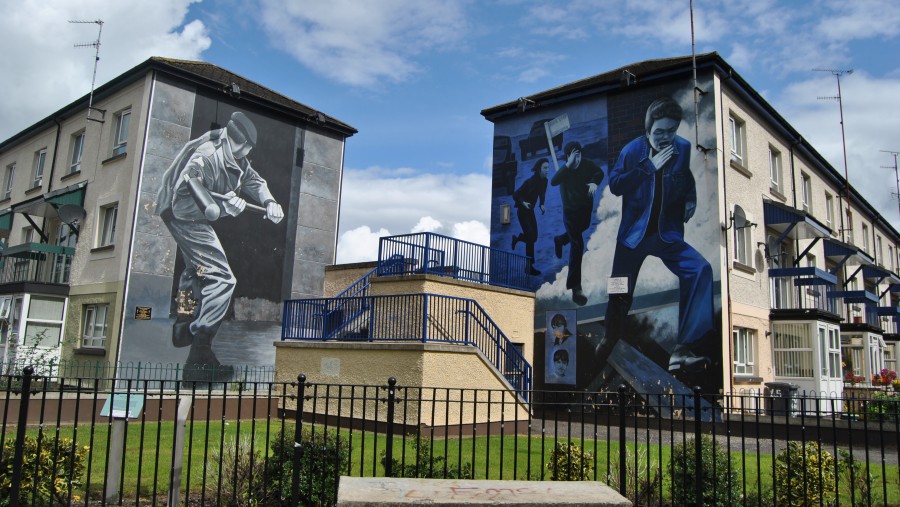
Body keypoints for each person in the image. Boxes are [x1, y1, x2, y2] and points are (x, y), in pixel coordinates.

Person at [156, 111, 284, 382]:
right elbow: (189, 186)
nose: (245, 153)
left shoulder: (235, 156)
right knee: (222, 278)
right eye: (245, 148)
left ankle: (183, 323)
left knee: (194, 271)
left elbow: (254, 181)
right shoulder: (206, 156)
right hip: (185, 216)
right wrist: (221, 205)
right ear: (237, 141)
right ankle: (199, 356)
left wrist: (270, 202)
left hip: (192, 215)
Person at [596, 96, 713, 374]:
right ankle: (610, 337)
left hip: (666, 234)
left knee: (701, 270)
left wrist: (690, 198)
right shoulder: (632, 151)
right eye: (659, 132)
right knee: (620, 292)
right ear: (648, 129)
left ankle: (684, 349)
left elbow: (685, 178)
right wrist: (648, 168)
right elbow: (615, 185)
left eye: (671, 131)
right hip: (633, 236)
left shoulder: (682, 148)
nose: (665, 137)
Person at [550, 142, 604, 306]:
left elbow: (599, 172)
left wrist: (595, 182)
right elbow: (553, 181)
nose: (578, 158)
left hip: (584, 212)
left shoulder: (587, 164)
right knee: (577, 244)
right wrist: (568, 164)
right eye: (575, 155)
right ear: (568, 156)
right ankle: (576, 289)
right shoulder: (564, 171)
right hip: (570, 214)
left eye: (579, 154)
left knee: (583, 229)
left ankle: (560, 240)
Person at [511, 158, 549, 275]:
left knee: (534, 237)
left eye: (548, 167)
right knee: (531, 239)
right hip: (522, 211)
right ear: (538, 169)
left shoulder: (544, 181)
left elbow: (542, 194)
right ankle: (529, 267)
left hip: (530, 211)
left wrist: (541, 204)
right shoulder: (530, 182)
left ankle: (517, 238)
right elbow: (516, 194)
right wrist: (523, 202)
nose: (547, 170)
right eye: (545, 168)